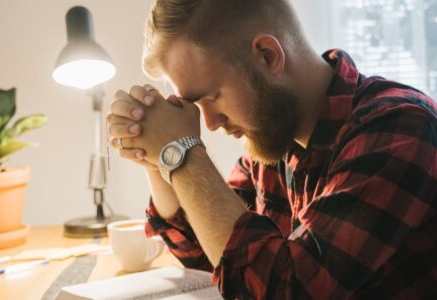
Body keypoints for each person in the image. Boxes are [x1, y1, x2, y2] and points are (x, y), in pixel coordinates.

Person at [106, 0, 437, 298]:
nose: (209, 123)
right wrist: (156, 161)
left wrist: (179, 152)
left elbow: (285, 290)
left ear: (268, 55)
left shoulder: (399, 128)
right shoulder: (275, 137)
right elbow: (210, 254)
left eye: (211, 97)